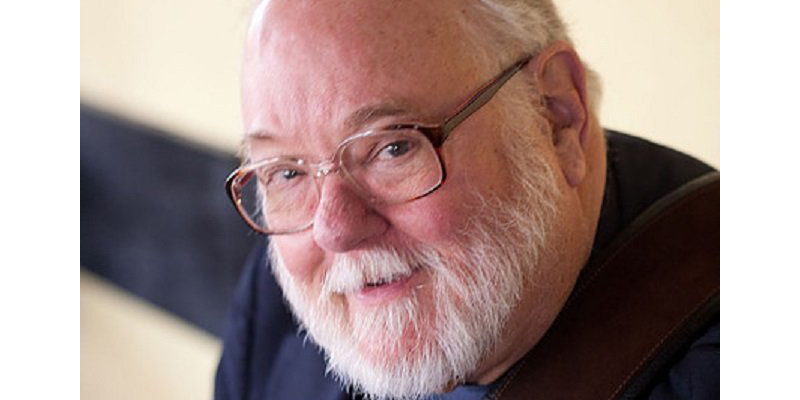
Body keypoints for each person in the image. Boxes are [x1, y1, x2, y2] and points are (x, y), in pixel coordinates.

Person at [215, 0, 719, 399]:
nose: (334, 230)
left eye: (393, 147)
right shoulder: (273, 303)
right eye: (287, 173)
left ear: (555, 114)